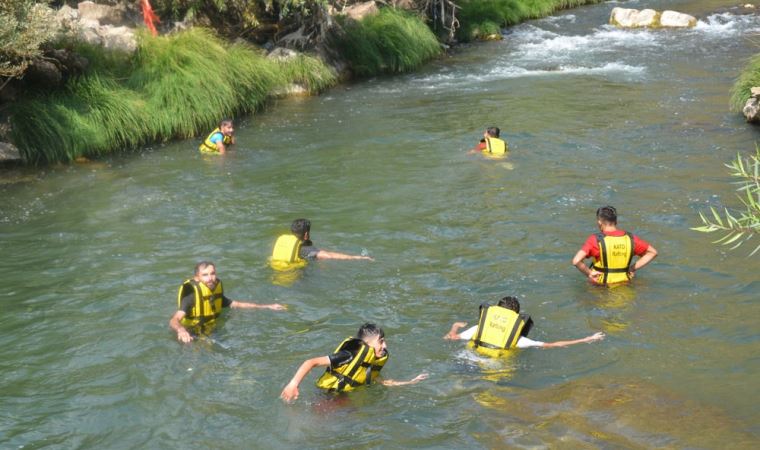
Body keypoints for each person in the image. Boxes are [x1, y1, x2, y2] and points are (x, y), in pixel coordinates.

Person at [280, 323, 428, 403]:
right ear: (367, 344)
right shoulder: (349, 355)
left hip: (345, 398)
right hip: (327, 397)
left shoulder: (370, 362)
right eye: (381, 342)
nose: (385, 346)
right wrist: (293, 384)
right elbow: (310, 362)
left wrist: (410, 382)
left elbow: (382, 381)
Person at [169, 261, 286, 343]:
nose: (210, 278)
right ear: (197, 278)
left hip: (211, 329)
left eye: (212, 273)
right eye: (205, 275)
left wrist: (267, 306)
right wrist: (181, 330)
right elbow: (174, 319)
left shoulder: (214, 291)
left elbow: (237, 304)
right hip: (191, 333)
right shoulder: (191, 295)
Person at [444, 296, 605, 355]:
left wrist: (455, 326)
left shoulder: (479, 328)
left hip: (466, 360)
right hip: (493, 372)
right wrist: (586, 339)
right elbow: (552, 345)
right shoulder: (516, 338)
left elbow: (450, 338)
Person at [571, 206, 658, 286]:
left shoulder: (595, 240)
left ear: (599, 222)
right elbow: (653, 253)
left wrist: (590, 273)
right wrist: (631, 268)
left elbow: (576, 261)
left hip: (602, 287)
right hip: (625, 284)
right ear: (616, 222)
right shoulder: (630, 238)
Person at [271, 218, 374, 266]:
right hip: (293, 277)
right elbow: (328, 255)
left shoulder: (282, 241)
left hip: (277, 271)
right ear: (306, 235)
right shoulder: (305, 249)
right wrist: (357, 258)